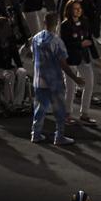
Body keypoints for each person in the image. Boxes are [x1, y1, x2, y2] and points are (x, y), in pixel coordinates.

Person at [31, 13, 84, 145]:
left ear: (44, 22)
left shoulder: (36, 38)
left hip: (39, 80)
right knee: (59, 110)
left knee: (39, 109)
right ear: (57, 24)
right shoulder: (57, 42)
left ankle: (35, 134)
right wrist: (75, 78)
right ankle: (59, 136)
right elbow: (63, 64)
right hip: (54, 81)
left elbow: (33, 57)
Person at [0, 16, 27, 113]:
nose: (9, 28)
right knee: (9, 75)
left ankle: (17, 103)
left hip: (8, 67)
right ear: (0, 28)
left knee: (22, 72)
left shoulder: (10, 39)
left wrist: (19, 66)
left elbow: (16, 55)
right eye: (7, 26)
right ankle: (8, 103)